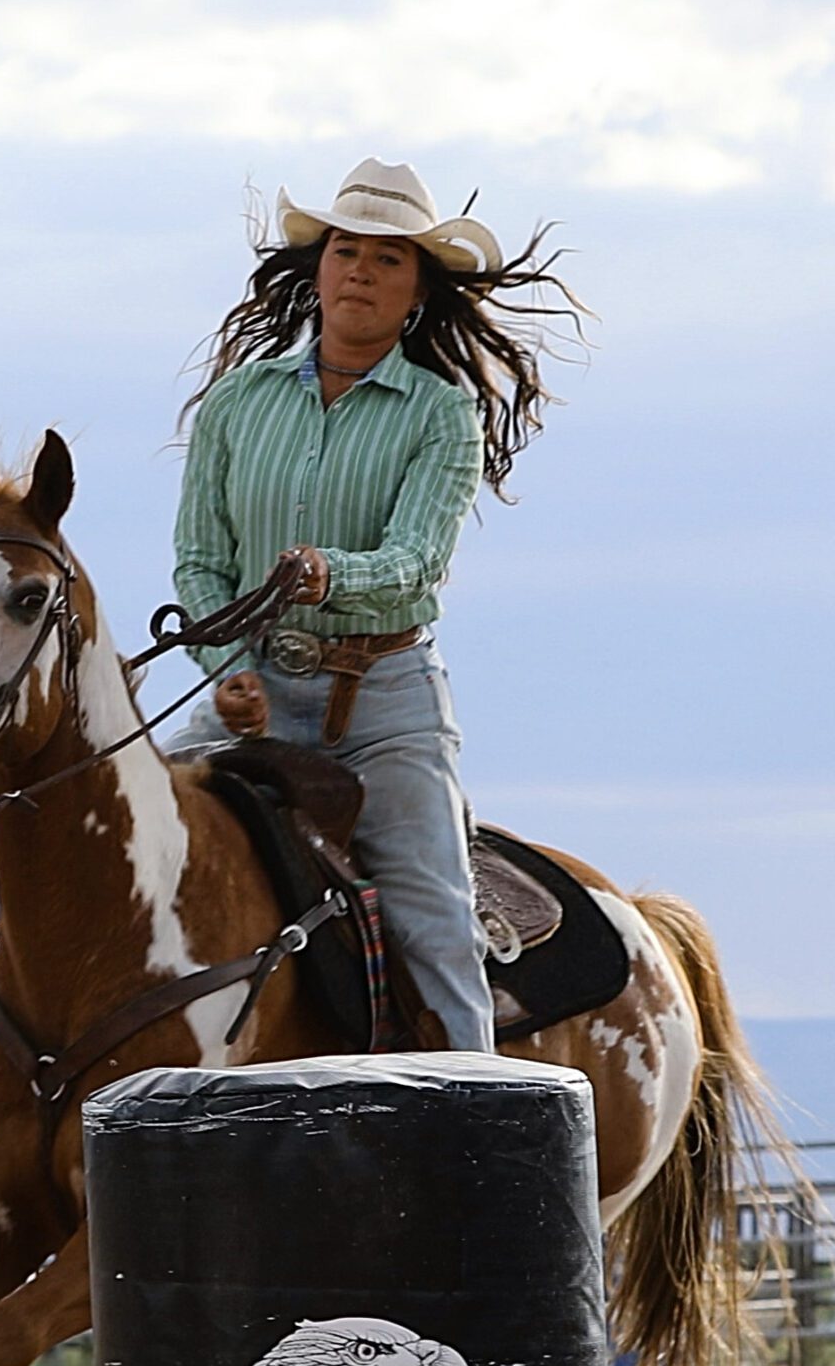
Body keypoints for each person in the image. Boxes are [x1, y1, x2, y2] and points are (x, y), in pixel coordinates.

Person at [167, 157, 578, 1052]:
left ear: (416, 292)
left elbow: (415, 565)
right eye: (345, 250)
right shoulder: (236, 402)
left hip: (384, 700)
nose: (360, 269)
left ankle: (476, 1111)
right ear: (316, 270)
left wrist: (329, 576)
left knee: (434, 917)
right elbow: (199, 565)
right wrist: (229, 671)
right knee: (127, 832)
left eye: (388, 259)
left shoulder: (438, 415)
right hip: (253, 693)